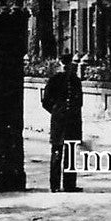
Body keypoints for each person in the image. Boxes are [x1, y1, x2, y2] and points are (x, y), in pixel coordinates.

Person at [43, 53, 83, 192]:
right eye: (64, 65)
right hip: (59, 122)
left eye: (69, 65)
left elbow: (79, 102)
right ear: (60, 65)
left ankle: (70, 185)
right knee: (56, 152)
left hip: (72, 122)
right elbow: (46, 101)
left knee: (71, 153)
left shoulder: (76, 81)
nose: (66, 67)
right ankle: (54, 185)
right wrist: (56, 112)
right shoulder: (54, 80)